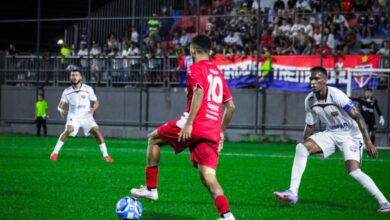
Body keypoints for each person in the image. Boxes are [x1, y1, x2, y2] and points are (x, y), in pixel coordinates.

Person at [130, 35, 236, 220]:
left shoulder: (194, 68)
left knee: (153, 138)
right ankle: (226, 215)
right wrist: (220, 132)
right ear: (210, 51)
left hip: (195, 124)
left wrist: (189, 123)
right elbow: (231, 106)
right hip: (211, 130)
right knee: (208, 176)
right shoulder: (218, 73)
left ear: (192, 51)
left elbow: (199, 92)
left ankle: (151, 189)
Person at [273, 66, 390, 213]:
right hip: (331, 133)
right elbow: (310, 125)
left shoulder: (336, 95)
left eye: (317, 79)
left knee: (354, 171)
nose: (313, 82)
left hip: (350, 135)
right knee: (301, 148)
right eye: (311, 79)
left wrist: (368, 143)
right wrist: (307, 147)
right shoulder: (309, 100)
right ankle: (293, 192)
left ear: (325, 80)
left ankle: (385, 202)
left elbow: (358, 116)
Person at [49, 69, 113, 162]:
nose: (74, 77)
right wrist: (60, 109)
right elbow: (60, 105)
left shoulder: (88, 89)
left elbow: (96, 102)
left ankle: (106, 155)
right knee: (69, 130)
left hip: (86, 116)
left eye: (76, 75)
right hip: (73, 116)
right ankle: (54, 153)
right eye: (72, 75)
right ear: (70, 77)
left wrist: (94, 108)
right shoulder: (67, 91)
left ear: (80, 77)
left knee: (96, 130)